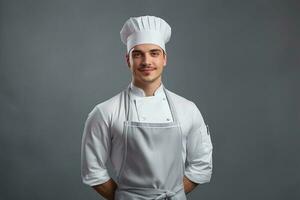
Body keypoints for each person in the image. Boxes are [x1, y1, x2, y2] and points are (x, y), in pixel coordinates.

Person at [81, 15, 213, 200]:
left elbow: (201, 165)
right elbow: (93, 172)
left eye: (154, 53)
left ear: (164, 59)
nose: (146, 61)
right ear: (128, 60)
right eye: (137, 54)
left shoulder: (188, 109)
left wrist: (171, 194)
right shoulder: (105, 112)